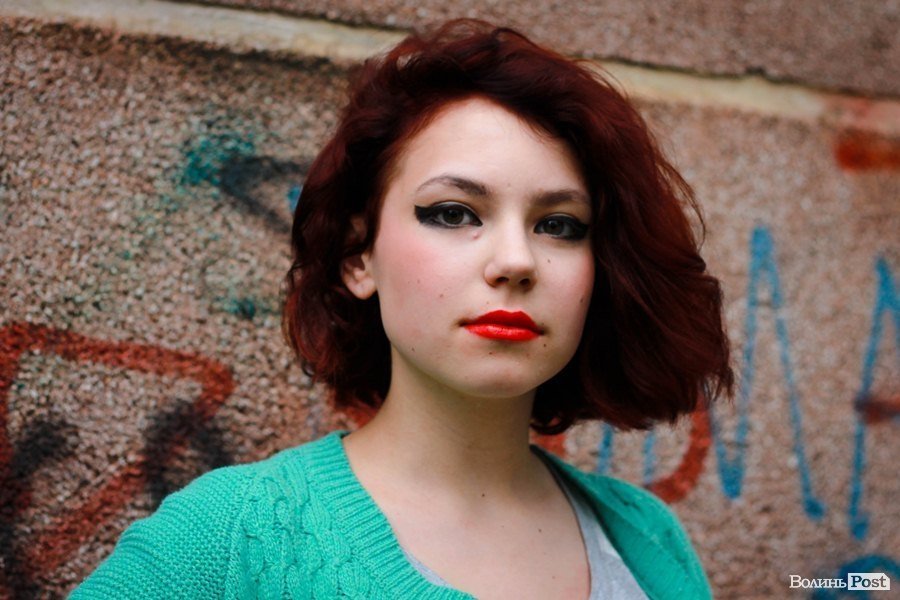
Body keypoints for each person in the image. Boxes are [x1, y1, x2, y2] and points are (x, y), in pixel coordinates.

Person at [72, 19, 733, 600]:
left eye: (559, 225)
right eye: (453, 213)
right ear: (358, 257)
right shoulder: (229, 537)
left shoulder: (646, 537)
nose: (516, 260)